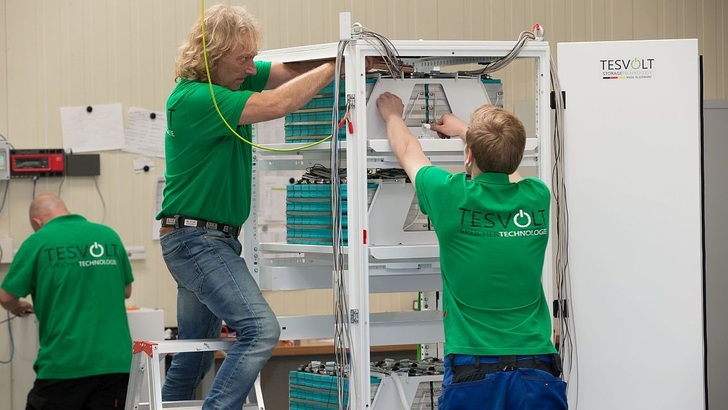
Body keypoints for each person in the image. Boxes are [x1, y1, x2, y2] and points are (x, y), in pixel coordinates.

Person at [156, 4, 352, 409]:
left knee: (194, 357)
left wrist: (348, 54)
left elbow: (286, 72)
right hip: (198, 241)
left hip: (209, 240)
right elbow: (278, 103)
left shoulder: (229, 81)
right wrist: (338, 65)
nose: (251, 68)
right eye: (242, 59)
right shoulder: (198, 97)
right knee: (261, 330)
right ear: (211, 58)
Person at [377, 92, 568, 409]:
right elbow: (509, 169)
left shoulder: (449, 194)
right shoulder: (537, 197)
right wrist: (470, 133)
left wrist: (393, 115)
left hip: (473, 368)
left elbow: (408, 150)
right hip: (537, 366)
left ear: (468, 156)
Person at [0, 193, 134, 409]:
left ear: (37, 222)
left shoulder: (38, 241)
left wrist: (17, 306)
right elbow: (126, 290)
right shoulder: (108, 236)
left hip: (65, 362)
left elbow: (6, 297)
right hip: (116, 364)